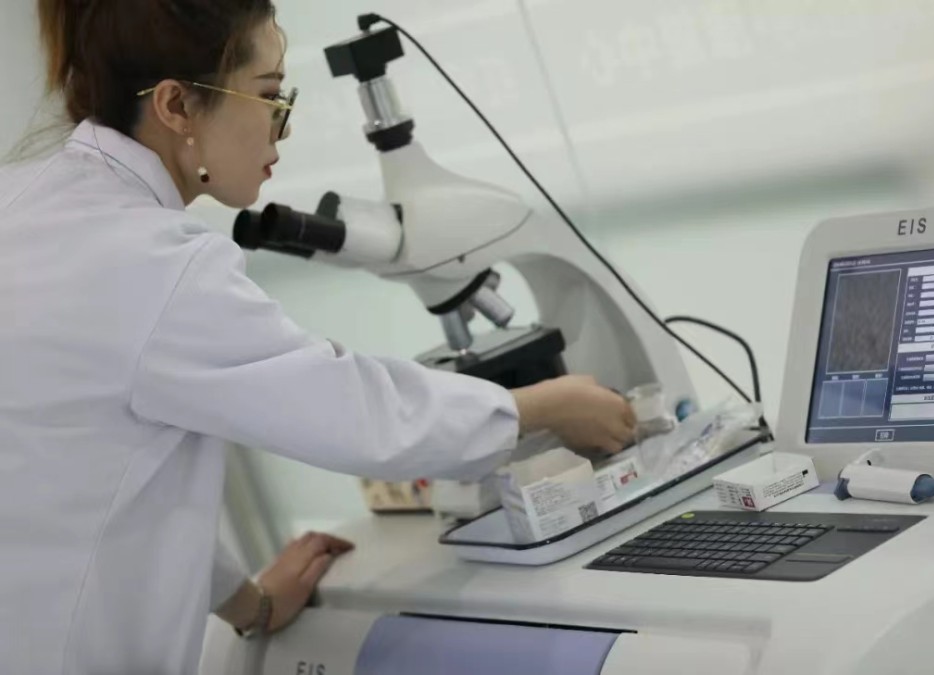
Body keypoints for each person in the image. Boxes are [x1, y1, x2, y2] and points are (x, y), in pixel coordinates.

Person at [0, 2, 638, 673]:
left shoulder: (25, 201)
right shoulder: (154, 263)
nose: (284, 126)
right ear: (176, 106)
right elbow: (353, 412)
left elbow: (93, 478)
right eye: (270, 96)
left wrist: (246, 602)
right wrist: (542, 406)